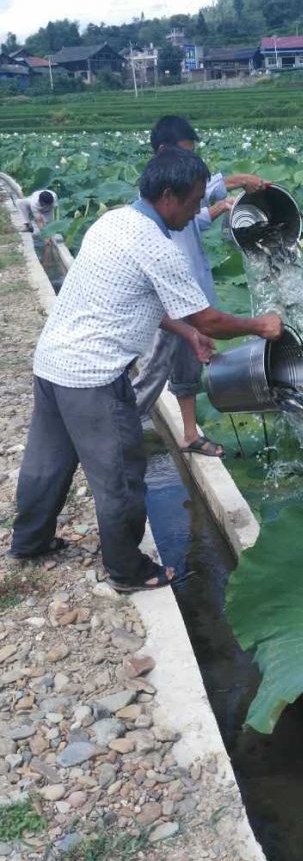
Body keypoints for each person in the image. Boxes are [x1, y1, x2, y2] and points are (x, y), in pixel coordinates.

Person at [10, 147, 282, 592]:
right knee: (120, 474)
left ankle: (29, 541)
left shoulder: (114, 221)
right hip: (95, 377)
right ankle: (127, 570)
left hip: (53, 362)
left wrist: (188, 335)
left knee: (47, 462)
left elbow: (139, 297)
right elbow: (209, 318)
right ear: (170, 196)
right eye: (195, 201)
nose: (198, 210)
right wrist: (259, 325)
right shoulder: (158, 246)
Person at [132, 115, 267, 457]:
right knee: (152, 375)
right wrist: (239, 181)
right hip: (170, 302)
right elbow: (199, 193)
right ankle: (119, 431)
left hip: (192, 295)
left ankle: (189, 435)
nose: (191, 162)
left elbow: (194, 218)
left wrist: (220, 207)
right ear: (164, 152)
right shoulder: (159, 195)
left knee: (187, 371)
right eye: (186, 154)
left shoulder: (180, 201)